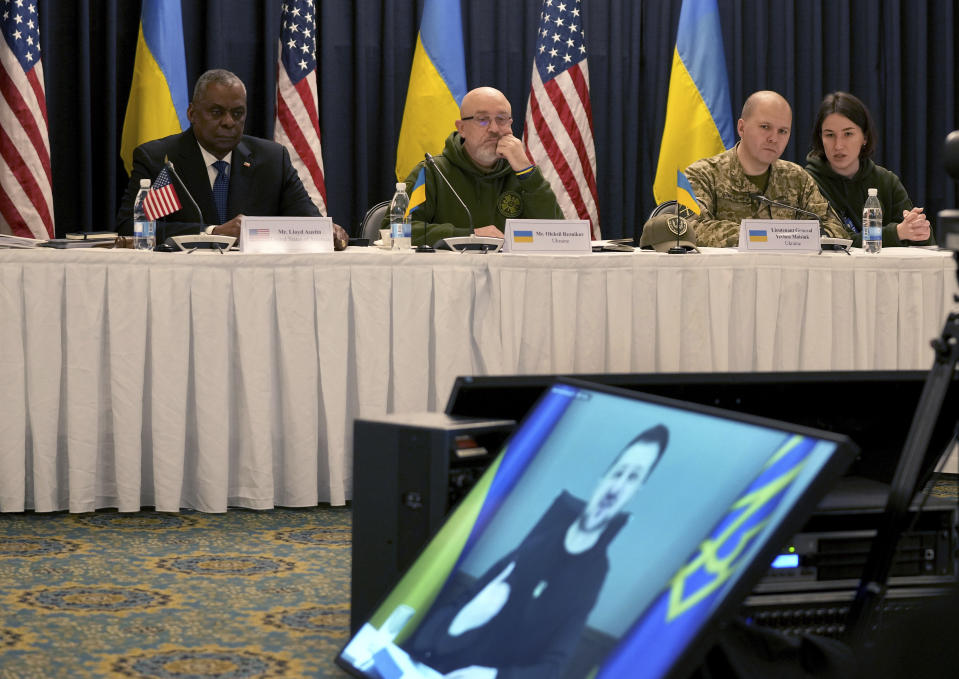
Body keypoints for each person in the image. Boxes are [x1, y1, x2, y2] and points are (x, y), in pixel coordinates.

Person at [397, 425, 670, 679]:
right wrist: (459, 622)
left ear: (636, 492)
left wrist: (491, 676)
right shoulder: (542, 538)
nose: (617, 486)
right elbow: (464, 602)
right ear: (602, 479)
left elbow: (553, 668)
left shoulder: (594, 574)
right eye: (618, 472)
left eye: (632, 478)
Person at [116, 69, 349, 249]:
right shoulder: (160, 158)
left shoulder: (272, 159)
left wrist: (328, 231)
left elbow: (308, 222)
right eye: (216, 112)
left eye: (237, 114)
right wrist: (211, 232)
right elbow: (131, 228)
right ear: (192, 114)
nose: (229, 122)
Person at [391, 86, 563, 247]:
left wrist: (527, 173)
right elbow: (395, 231)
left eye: (501, 119)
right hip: (449, 275)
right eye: (483, 120)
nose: (494, 129)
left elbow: (556, 235)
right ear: (462, 128)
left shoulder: (523, 174)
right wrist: (468, 236)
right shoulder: (432, 172)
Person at [685, 90, 848, 248]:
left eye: (782, 131)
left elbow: (834, 229)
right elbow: (691, 228)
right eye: (765, 127)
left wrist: (780, 237)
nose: (774, 138)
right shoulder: (702, 175)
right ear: (741, 128)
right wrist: (765, 235)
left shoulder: (797, 178)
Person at [804, 91, 933, 247]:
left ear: (864, 137)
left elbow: (920, 240)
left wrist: (919, 229)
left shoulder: (886, 180)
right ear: (820, 138)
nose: (838, 145)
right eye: (830, 135)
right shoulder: (806, 183)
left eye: (848, 134)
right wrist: (896, 233)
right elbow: (836, 242)